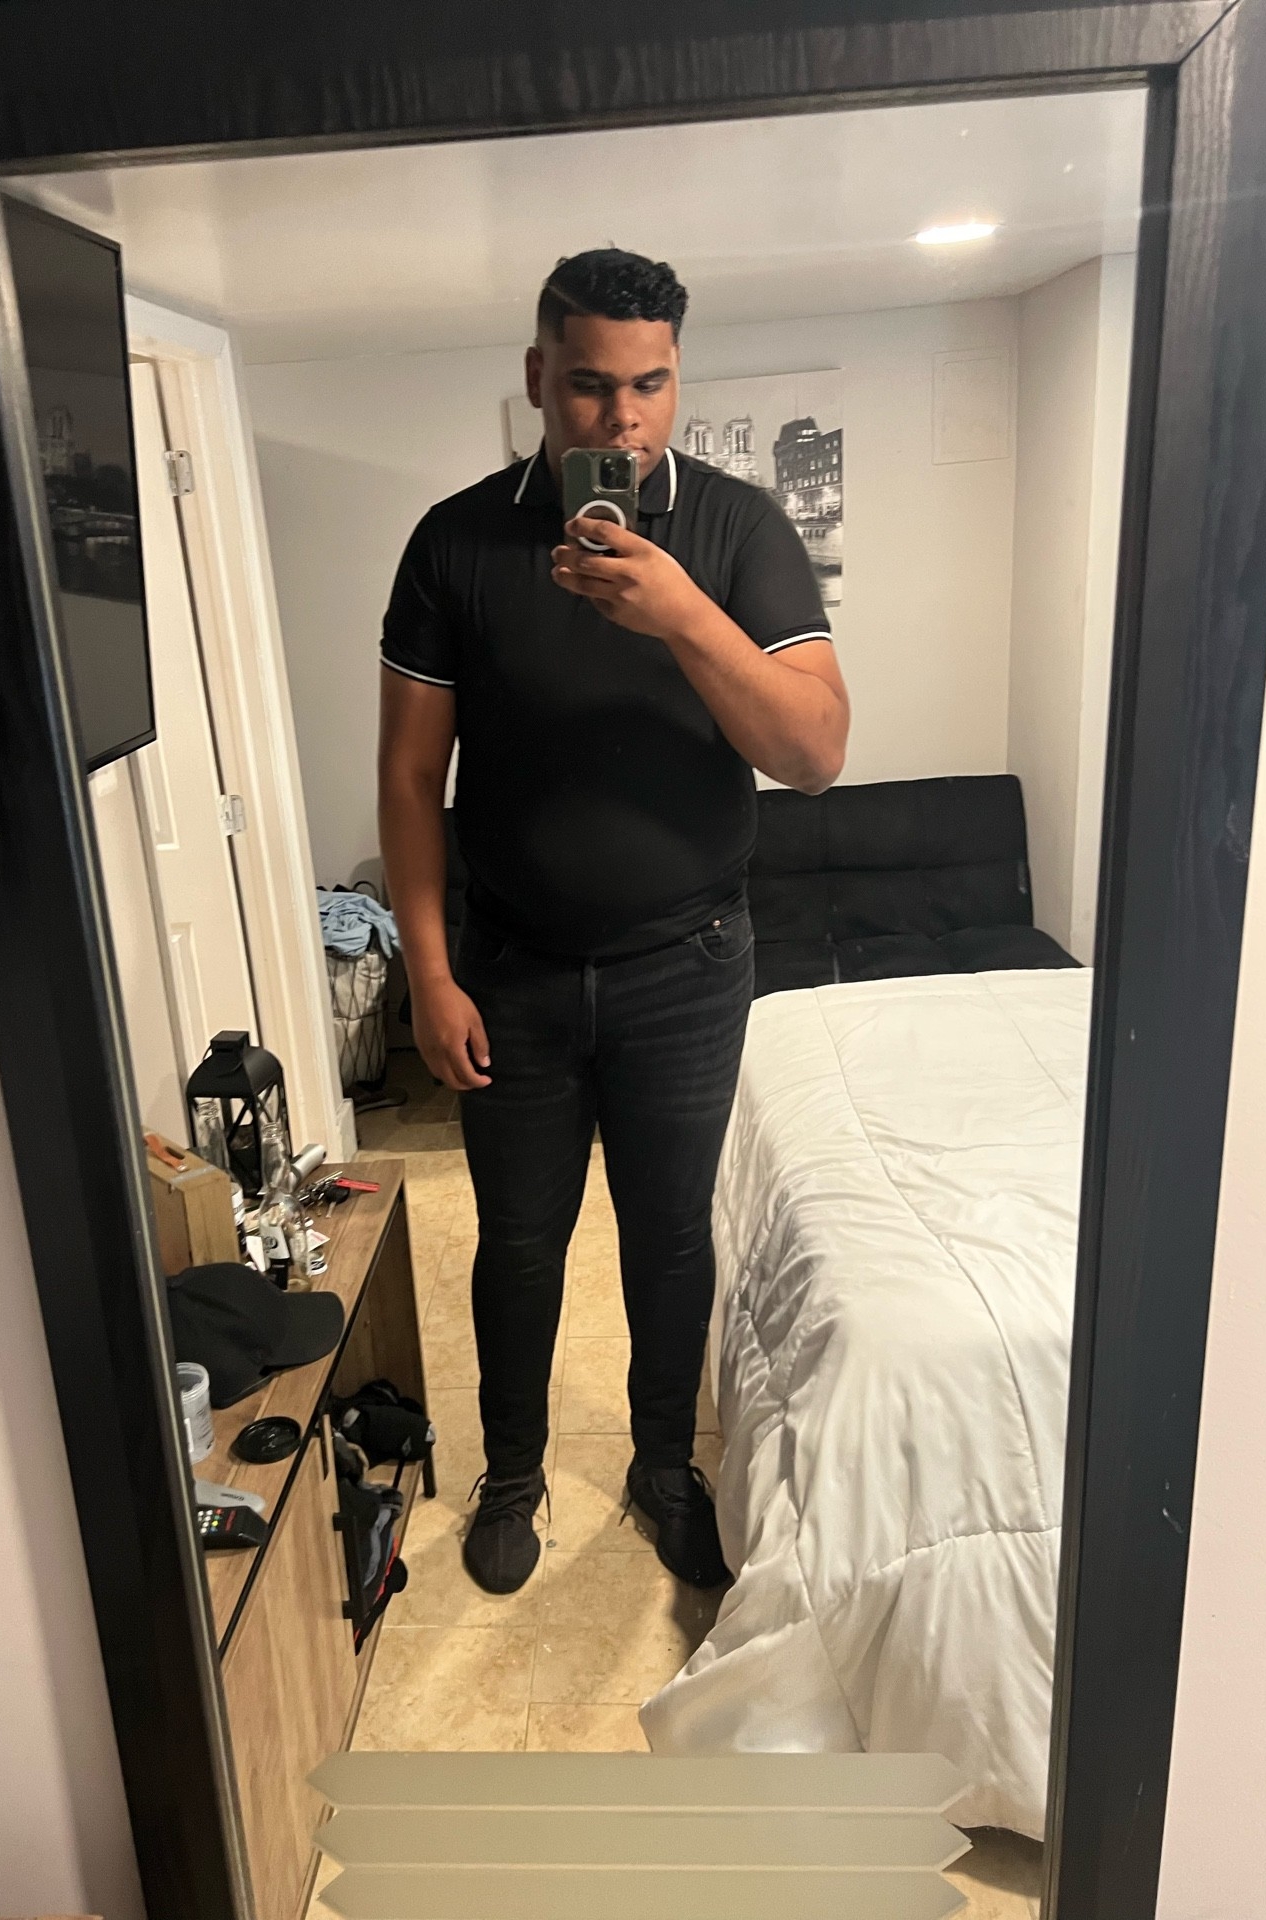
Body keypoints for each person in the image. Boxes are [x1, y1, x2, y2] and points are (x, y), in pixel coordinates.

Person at [378, 248, 849, 1594]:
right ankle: (512, 1474)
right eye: (590, 386)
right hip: (509, 970)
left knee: (672, 1240)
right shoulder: (457, 541)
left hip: (688, 970)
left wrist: (683, 614)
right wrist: (429, 973)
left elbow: (814, 754)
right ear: (540, 376)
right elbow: (410, 779)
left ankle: (662, 1466)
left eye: (650, 385)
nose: (622, 419)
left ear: (678, 377)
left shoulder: (739, 533)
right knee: (519, 1244)